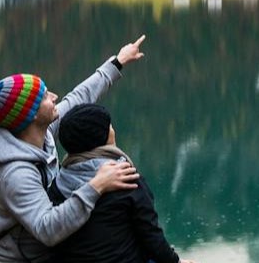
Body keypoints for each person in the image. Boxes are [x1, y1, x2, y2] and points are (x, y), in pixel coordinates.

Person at [0, 36, 147, 262]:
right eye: (45, 97)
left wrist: (118, 62)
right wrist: (97, 184)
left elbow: (79, 97)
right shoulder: (15, 173)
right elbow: (47, 229)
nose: (54, 97)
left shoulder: (41, 131)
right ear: (30, 115)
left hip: (51, 249)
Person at [51, 104, 191, 263]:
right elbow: (152, 237)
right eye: (109, 126)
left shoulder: (59, 182)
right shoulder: (125, 178)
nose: (113, 130)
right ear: (103, 136)